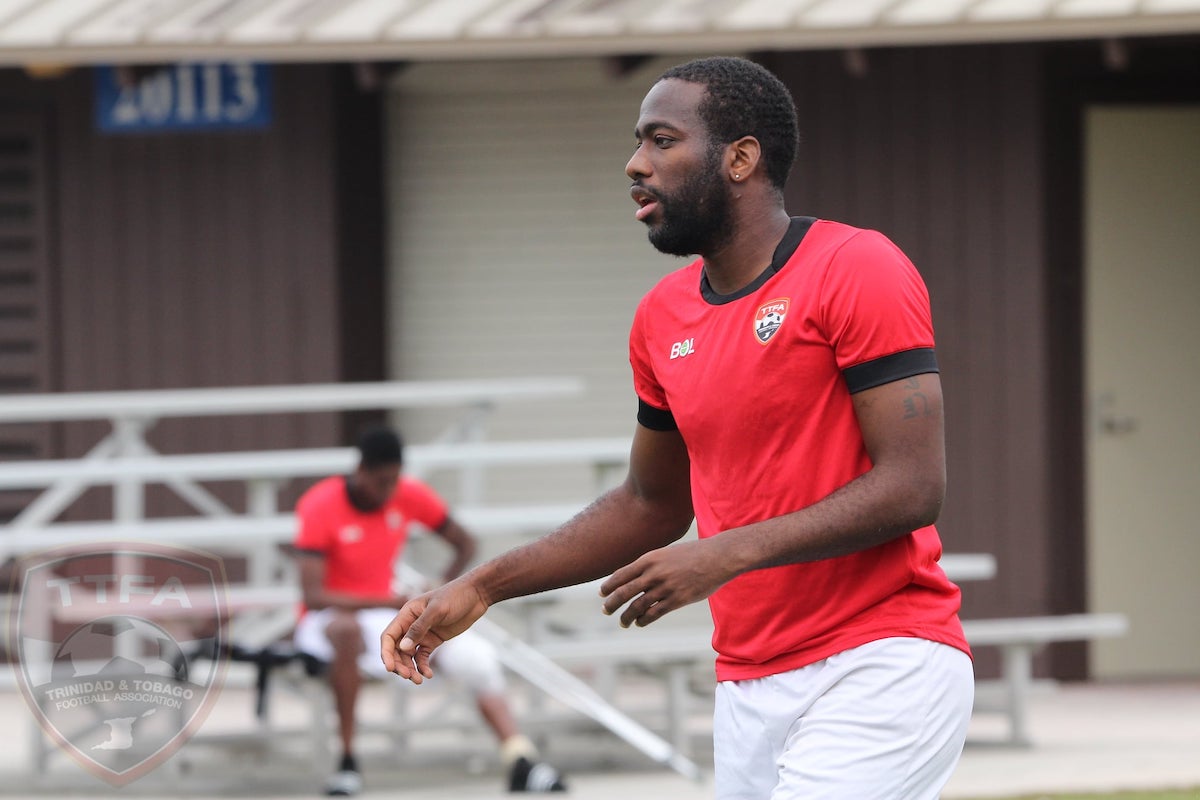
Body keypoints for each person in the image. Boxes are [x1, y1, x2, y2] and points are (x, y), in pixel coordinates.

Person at [382, 56, 974, 799]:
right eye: (638, 142)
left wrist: (723, 554)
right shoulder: (662, 317)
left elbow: (914, 486)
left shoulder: (856, 268)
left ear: (741, 158)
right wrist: (481, 588)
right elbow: (651, 503)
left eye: (662, 141)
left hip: (883, 660)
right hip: (748, 685)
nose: (636, 164)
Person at [292, 425, 567, 795]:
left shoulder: (407, 494)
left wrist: (442, 589)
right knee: (346, 632)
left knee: (475, 655)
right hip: (329, 618)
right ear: (361, 471)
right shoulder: (320, 503)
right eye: (380, 481)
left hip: (385, 610)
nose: (388, 491)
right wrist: (390, 601)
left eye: (394, 481)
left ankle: (519, 758)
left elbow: (464, 542)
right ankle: (347, 759)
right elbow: (314, 596)